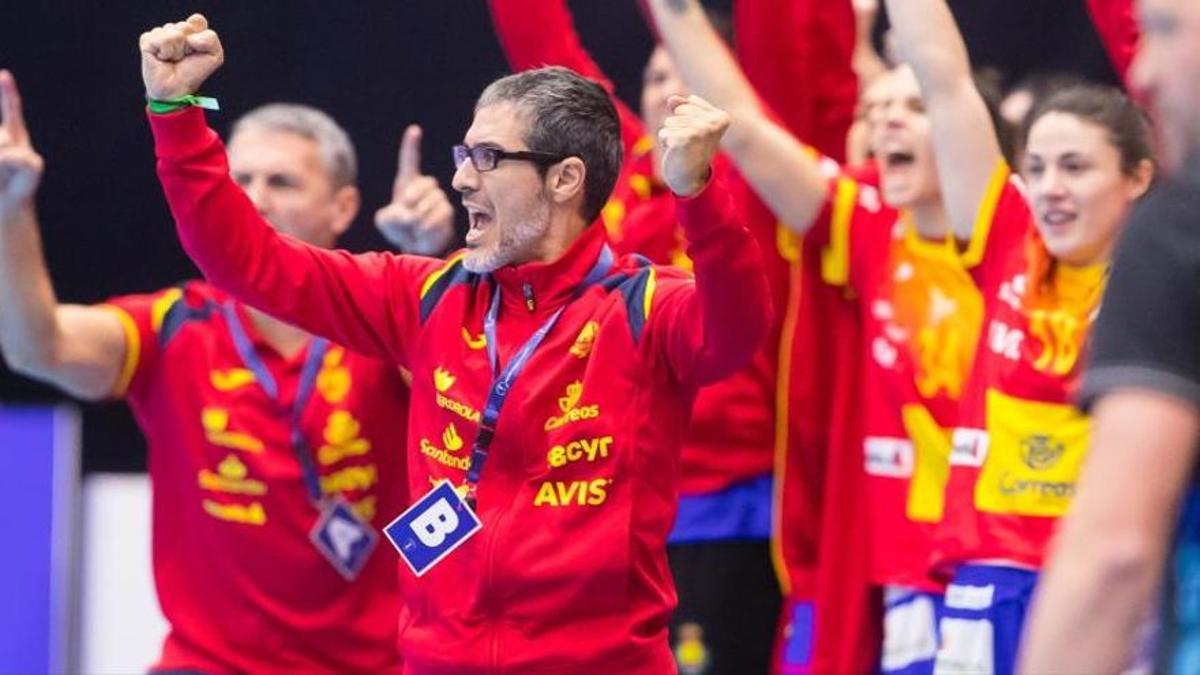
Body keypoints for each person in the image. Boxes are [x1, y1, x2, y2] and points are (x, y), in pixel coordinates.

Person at [139, 13, 771, 673]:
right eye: (464, 155)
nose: (464, 178)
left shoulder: (646, 308)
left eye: (489, 158)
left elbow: (736, 329)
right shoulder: (426, 298)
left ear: (565, 179)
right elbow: (248, 262)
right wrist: (175, 112)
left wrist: (697, 197)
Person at [0, 69, 461, 671]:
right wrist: (10, 213)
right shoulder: (174, 326)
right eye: (239, 178)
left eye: (283, 181)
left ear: (343, 206)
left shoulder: (386, 326)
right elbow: (42, 347)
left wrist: (430, 264)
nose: (255, 198)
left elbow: (466, 371)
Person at [645, 1, 1017, 672]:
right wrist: (673, 12)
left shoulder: (1015, 240)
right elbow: (748, 130)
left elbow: (946, 76)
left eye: (912, 106)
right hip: (897, 581)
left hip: (1005, 563)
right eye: (876, 111)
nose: (885, 121)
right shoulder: (870, 229)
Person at [485, 2, 818, 670]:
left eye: (687, 75)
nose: (668, 91)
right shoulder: (615, 174)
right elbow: (543, 47)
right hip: (600, 492)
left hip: (729, 502)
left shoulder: (758, 180)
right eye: (655, 72)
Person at [879, 0, 1156, 671]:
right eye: (1036, 167)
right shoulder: (1010, 238)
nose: (1050, 188)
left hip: (1102, 592)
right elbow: (943, 75)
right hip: (988, 585)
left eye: (1076, 167)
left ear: (1139, 178)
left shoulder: (1164, 285)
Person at [1020, 0, 1200, 670]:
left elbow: (1114, 552)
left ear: (1137, 180)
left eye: (1165, 29)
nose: (1144, 69)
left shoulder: (1174, 235)